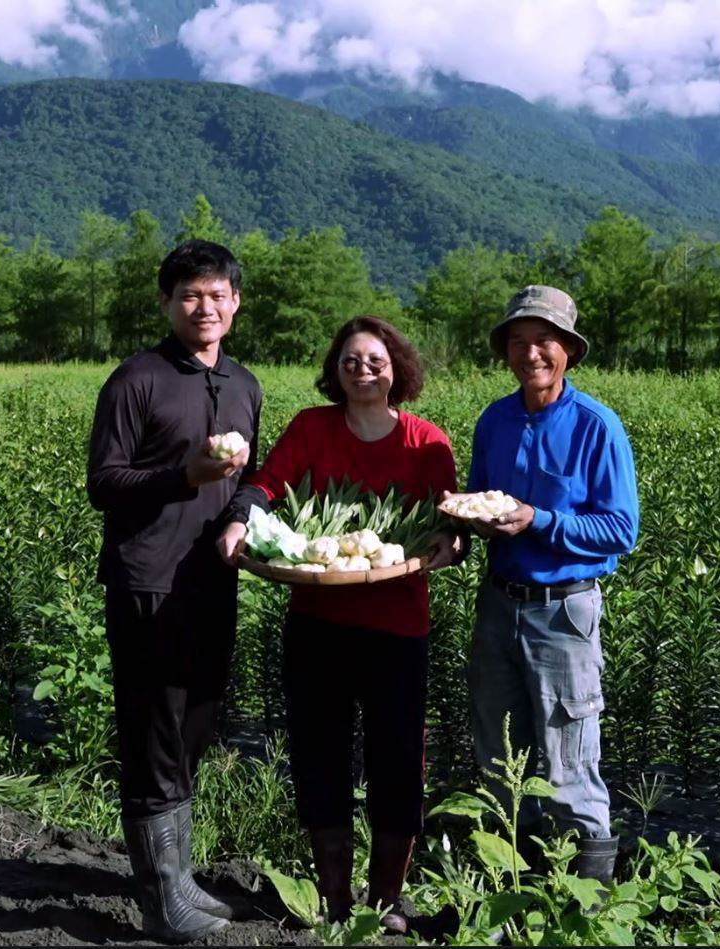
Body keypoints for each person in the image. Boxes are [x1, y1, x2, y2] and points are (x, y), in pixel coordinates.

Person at [217, 316, 461, 933]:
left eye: (374, 359)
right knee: (319, 754)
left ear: (397, 368)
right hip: (318, 623)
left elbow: (450, 524)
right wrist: (243, 519)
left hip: (397, 629)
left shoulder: (426, 441)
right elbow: (268, 483)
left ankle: (386, 901)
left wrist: (450, 545)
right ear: (336, 370)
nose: (362, 370)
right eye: (350, 361)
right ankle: (333, 900)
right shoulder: (311, 428)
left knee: (399, 759)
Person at [85, 240, 262, 942]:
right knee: (154, 731)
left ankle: (179, 877)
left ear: (236, 303)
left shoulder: (244, 383)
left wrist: (243, 513)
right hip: (148, 581)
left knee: (195, 726)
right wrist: (181, 478)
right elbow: (104, 482)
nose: (205, 306)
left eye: (217, 294)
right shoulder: (136, 380)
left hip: (212, 581)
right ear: (166, 303)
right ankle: (161, 899)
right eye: (190, 294)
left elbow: (257, 472)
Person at [462, 285, 639, 885]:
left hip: (565, 613)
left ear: (567, 350)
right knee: (497, 757)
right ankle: (507, 887)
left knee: (568, 764)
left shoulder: (596, 425)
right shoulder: (496, 419)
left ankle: (585, 907)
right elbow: (479, 498)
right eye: (518, 342)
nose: (531, 353)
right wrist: (462, 523)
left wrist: (539, 520)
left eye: (544, 342)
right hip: (498, 606)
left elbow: (621, 528)